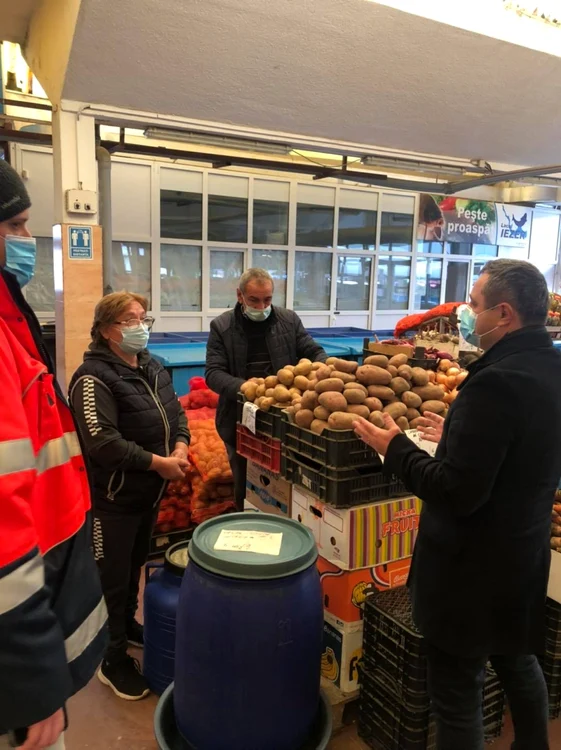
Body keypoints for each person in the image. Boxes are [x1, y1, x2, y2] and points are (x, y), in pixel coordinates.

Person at [353, 259, 561, 750]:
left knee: (457, 694)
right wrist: (460, 439)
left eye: (473, 303)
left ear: (504, 313)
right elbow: (527, 446)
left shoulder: (492, 381)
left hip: (470, 573)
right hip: (522, 556)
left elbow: (456, 492)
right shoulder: (552, 365)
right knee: (519, 660)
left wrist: (395, 449)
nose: (466, 313)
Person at [0, 160, 107, 750]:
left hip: (44, 595)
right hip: (17, 662)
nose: (25, 241)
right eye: (15, 225)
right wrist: (28, 674)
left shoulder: (11, 320)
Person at [69, 292, 190, 701]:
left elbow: (176, 414)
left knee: (136, 568)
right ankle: (111, 658)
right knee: (112, 581)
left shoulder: (152, 366)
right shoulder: (92, 378)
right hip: (112, 502)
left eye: (143, 318)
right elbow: (102, 442)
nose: (140, 326)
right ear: (106, 330)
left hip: (148, 496)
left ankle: (126, 628)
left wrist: (181, 447)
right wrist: (159, 463)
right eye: (128, 320)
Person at [205, 268, 327, 509]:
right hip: (239, 420)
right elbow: (213, 373)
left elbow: (312, 350)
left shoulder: (289, 320)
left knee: (283, 486)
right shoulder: (222, 326)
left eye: (267, 300)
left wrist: (323, 370)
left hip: (284, 419)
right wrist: (245, 387)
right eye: (254, 300)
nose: (262, 306)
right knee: (246, 485)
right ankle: (245, 521)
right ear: (240, 296)